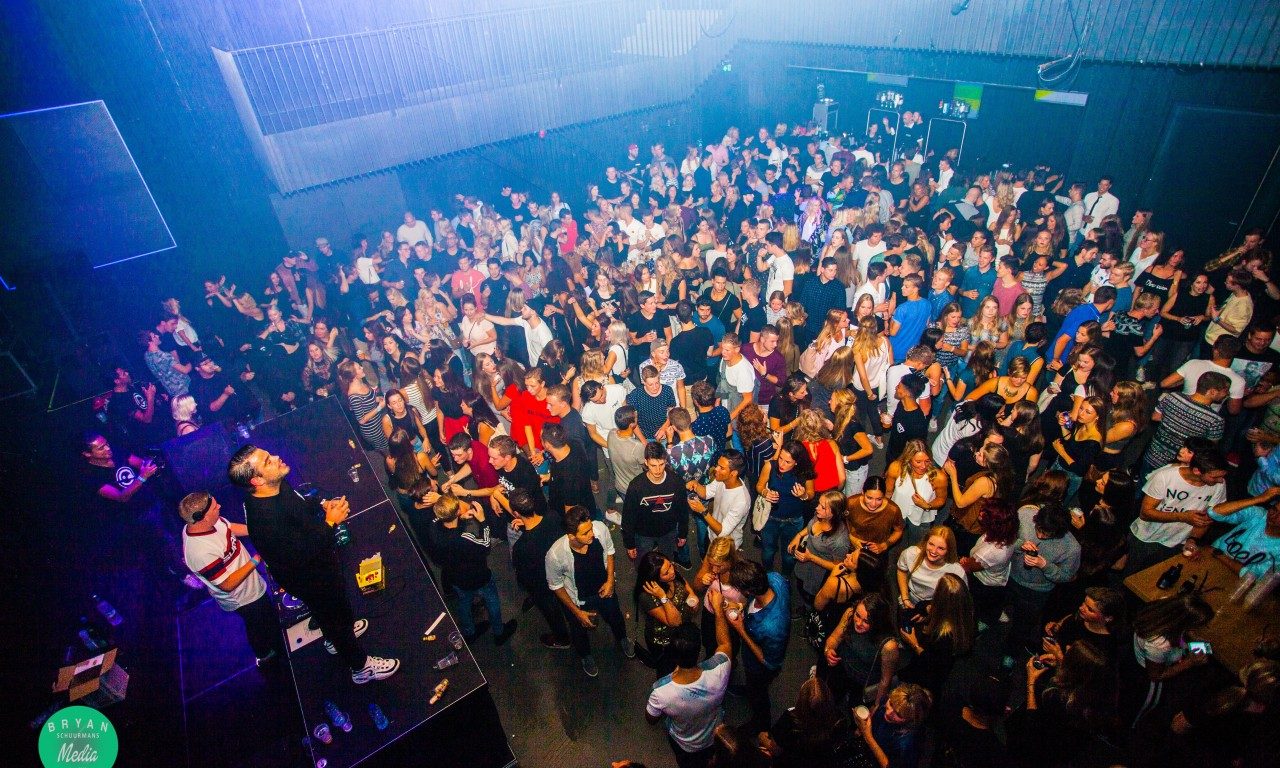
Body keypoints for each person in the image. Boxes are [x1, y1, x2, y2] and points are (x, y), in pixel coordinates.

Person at [227, 445, 400, 684]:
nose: (276, 457)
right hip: (310, 578)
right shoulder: (265, 520)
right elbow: (303, 555)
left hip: (318, 567)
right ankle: (361, 668)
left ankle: (334, 640)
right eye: (267, 461)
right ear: (257, 480)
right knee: (335, 619)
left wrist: (322, 505)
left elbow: (298, 506)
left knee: (333, 616)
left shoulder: (276, 485)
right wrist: (331, 523)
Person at [179, 491, 284, 667]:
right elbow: (227, 584)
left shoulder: (209, 522)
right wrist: (256, 559)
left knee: (267, 617)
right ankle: (265, 656)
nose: (219, 506)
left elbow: (229, 528)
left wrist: (257, 530)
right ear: (202, 517)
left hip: (250, 583)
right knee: (257, 624)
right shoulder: (199, 551)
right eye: (215, 507)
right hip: (241, 598)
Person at [645, 590, 732, 768]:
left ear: (673, 655)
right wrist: (718, 609)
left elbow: (651, 719)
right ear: (698, 650)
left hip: (684, 744)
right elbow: (725, 643)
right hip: (714, 735)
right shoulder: (719, 669)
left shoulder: (660, 691)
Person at [545, 505, 635, 677]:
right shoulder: (555, 555)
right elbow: (556, 586)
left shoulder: (600, 529)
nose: (592, 534)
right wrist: (577, 612)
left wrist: (610, 581)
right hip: (578, 599)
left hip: (604, 590)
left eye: (591, 528)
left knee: (616, 617)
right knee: (578, 631)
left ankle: (622, 639)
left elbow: (610, 551)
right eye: (585, 533)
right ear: (571, 536)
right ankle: (585, 656)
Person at [426, 494, 518, 645]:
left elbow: (446, 526)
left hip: (456, 578)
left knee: (464, 604)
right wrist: (482, 521)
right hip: (478, 577)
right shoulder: (465, 537)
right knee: (492, 601)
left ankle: (469, 632)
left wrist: (460, 519)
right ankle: (499, 632)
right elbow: (486, 545)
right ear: (457, 512)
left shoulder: (433, 527)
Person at [1127, 451, 1228, 574]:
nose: (1220, 480)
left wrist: (1192, 540)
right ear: (1197, 471)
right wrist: (1182, 517)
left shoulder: (1219, 485)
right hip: (1146, 538)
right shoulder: (1165, 476)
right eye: (1215, 477)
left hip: (1177, 544)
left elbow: (1206, 518)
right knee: (1128, 575)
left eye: (1222, 476)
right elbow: (1145, 513)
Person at [1129, 594, 1215, 726]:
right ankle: (1136, 725)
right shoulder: (1159, 644)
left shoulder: (1167, 607)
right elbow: (1156, 676)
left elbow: (1182, 637)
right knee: (1149, 705)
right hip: (1148, 672)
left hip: (1165, 651)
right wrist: (1190, 662)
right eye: (1198, 626)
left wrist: (1194, 639)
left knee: (1207, 653)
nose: (1203, 628)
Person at [727, 558, 791, 736]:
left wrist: (741, 630)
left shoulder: (772, 627)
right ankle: (749, 690)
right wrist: (742, 606)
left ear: (748, 591)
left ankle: (761, 723)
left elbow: (769, 662)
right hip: (753, 654)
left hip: (759, 666)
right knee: (752, 685)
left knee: (759, 693)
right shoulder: (774, 578)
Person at [507, 488, 572, 650]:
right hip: (565, 574)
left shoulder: (521, 547)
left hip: (544, 586)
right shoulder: (553, 516)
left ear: (516, 513)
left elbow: (524, 578)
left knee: (552, 613)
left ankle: (562, 639)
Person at [898, 573, 975, 697]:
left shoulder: (945, 636)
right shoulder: (964, 614)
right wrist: (927, 610)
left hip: (926, 678)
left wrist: (914, 644)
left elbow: (932, 665)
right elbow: (922, 605)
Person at [634, 550, 701, 678]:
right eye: (666, 573)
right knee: (666, 671)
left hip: (682, 633)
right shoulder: (646, 596)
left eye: (670, 565)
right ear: (655, 578)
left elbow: (688, 590)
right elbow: (675, 621)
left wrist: (693, 598)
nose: (672, 571)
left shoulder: (674, 575)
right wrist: (662, 597)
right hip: (664, 642)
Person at [623, 441, 691, 561]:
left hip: (668, 531)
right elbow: (628, 516)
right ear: (646, 463)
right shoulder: (636, 486)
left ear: (665, 461)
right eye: (653, 465)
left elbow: (683, 510)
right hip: (643, 534)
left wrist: (682, 533)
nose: (658, 470)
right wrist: (629, 543)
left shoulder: (676, 482)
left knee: (667, 560)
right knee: (644, 564)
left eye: (661, 464)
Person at [757, 440, 817, 574]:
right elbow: (759, 485)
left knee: (789, 555)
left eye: (787, 462)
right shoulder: (770, 466)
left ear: (796, 462)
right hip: (770, 518)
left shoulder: (804, 472)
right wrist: (765, 493)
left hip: (794, 520)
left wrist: (803, 495)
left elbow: (811, 494)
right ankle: (768, 576)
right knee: (768, 551)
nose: (781, 464)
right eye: (780, 458)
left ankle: (785, 578)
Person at [852, 683, 933, 768]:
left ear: (911, 719)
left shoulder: (908, 743)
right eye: (890, 704)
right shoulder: (894, 699)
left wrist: (868, 736)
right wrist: (865, 723)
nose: (888, 713)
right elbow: (878, 706)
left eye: (898, 714)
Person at [687, 449, 752, 550]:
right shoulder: (721, 480)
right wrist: (696, 484)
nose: (716, 469)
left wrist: (703, 511)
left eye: (721, 468)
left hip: (725, 546)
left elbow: (723, 532)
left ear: (733, 473)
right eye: (717, 465)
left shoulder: (741, 501)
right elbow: (706, 493)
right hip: (712, 533)